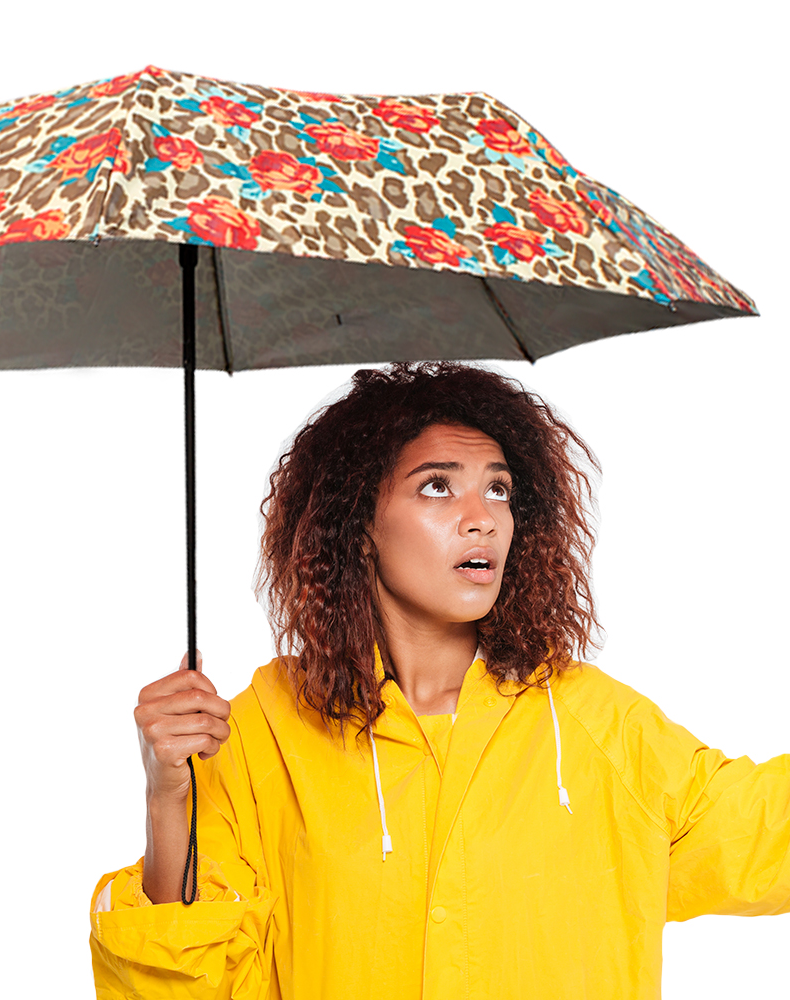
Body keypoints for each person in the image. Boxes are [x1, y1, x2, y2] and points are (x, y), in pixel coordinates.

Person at [89, 362, 789, 1000]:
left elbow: (762, 834)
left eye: (499, 489)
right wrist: (168, 799)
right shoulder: (266, 734)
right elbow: (181, 989)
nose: (481, 517)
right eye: (437, 486)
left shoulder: (593, 725)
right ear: (359, 522)